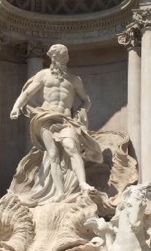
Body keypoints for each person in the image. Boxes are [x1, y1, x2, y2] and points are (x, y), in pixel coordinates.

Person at [10, 43, 102, 202]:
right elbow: (27, 93)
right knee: (52, 154)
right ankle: (59, 192)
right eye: (55, 56)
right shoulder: (43, 75)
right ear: (51, 58)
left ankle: (82, 183)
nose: (59, 59)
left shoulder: (74, 80)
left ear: (66, 58)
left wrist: (81, 112)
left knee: (72, 148)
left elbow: (86, 101)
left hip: (66, 120)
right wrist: (16, 107)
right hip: (46, 116)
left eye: (62, 56)